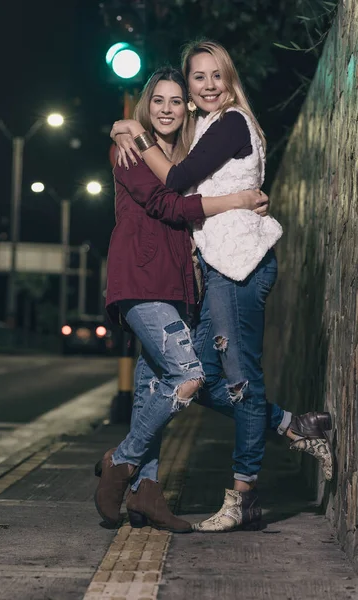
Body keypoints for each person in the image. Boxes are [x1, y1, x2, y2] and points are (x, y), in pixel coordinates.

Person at [110, 40, 333, 533]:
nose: (209, 85)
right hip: (219, 269)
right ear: (189, 91)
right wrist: (127, 127)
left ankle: (244, 496)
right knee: (209, 380)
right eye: (199, 78)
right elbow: (190, 179)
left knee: (239, 382)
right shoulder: (207, 128)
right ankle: (292, 425)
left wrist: (137, 133)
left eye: (217, 75)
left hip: (239, 265)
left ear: (229, 79)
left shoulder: (230, 122)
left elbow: (177, 182)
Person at [95, 66, 269, 533]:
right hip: (141, 281)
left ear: (187, 106)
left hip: (178, 287)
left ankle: (146, 493)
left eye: (176, 101)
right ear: (146, 106)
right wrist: (235, 200)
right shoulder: (131, 150)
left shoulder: (188, 158)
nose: (167, 109)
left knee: (154, 390)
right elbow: (167, 206)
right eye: (158, 101)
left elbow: (202, 190)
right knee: (189, 377)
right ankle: (121, 463)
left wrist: (251, 199)